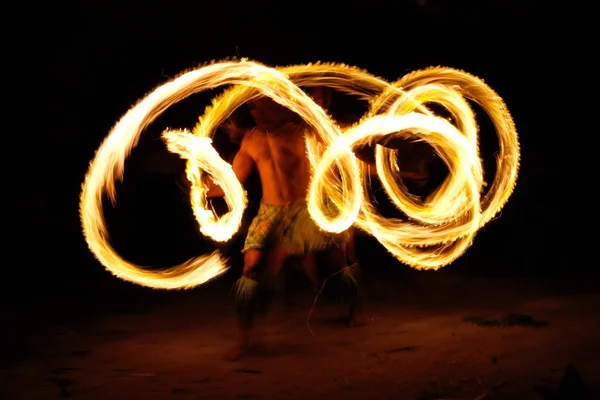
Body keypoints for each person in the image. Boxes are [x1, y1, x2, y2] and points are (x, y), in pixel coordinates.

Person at [203, 95, 367, 361]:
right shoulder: (252, 139)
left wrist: (388, 168)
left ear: (278, 104)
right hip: (271, 212)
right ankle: (246, 339)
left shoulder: (308, 134)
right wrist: (206, 188)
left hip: (308, 209)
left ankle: (356, 311)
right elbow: (232, 182)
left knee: (338, 263)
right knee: (250, 269)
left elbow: (348, 160)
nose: (253, 110)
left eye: (259, 105)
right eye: (251, 106)